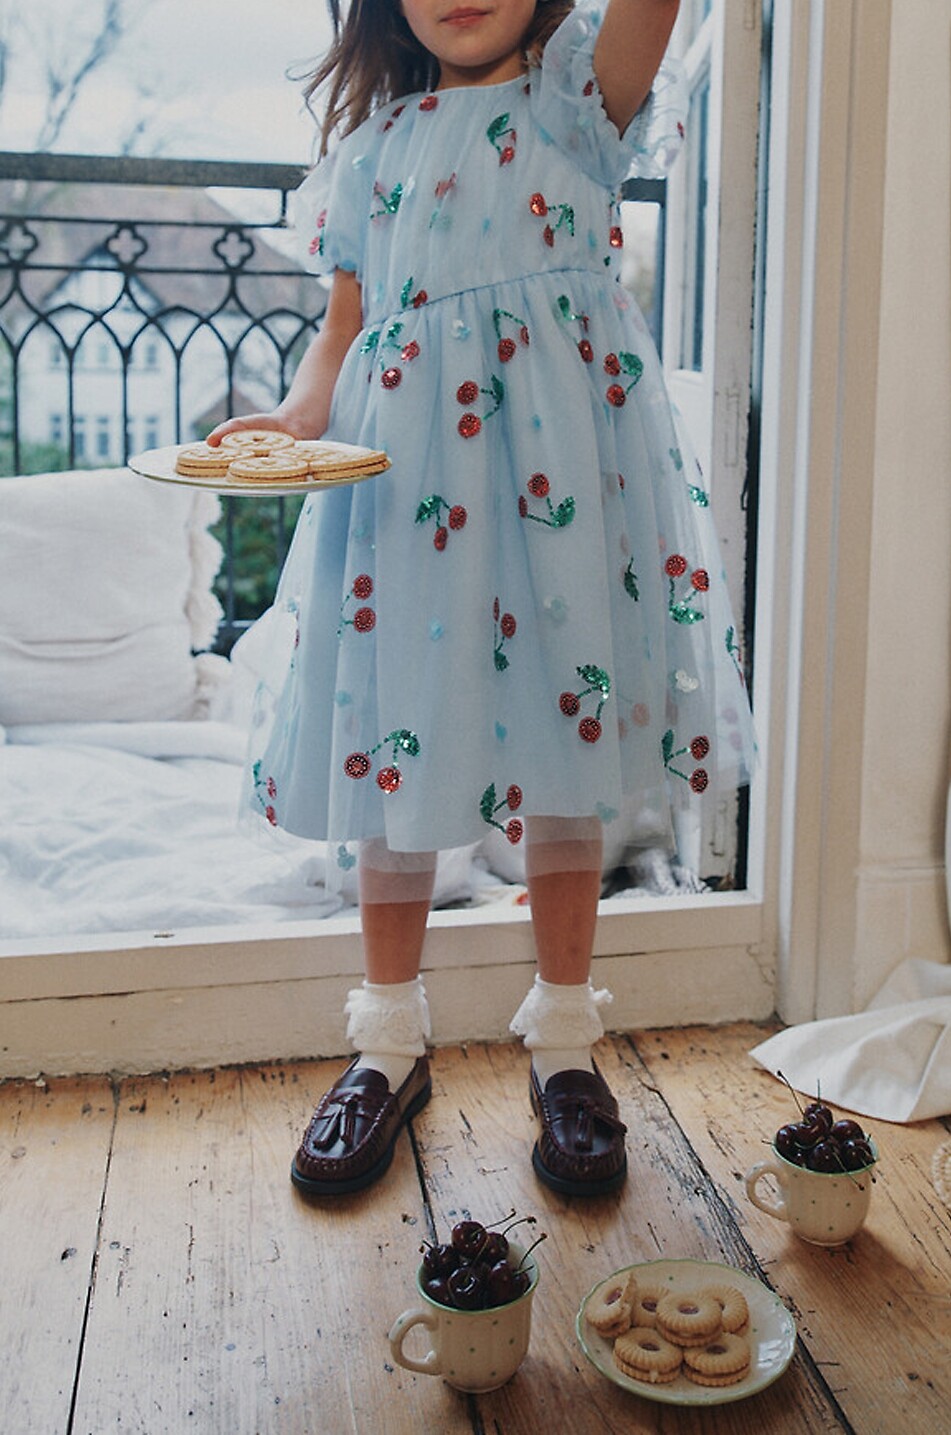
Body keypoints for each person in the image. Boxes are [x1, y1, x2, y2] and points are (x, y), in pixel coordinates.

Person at [210, 0, 755, 1199]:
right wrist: (301, 419)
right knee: (396, 752)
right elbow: (338, 336)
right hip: (407, 486)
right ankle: (386, 1043)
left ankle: (566, 1043)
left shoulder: (573, 99)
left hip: (558, 480)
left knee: (567, 746)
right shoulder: (371, 149)